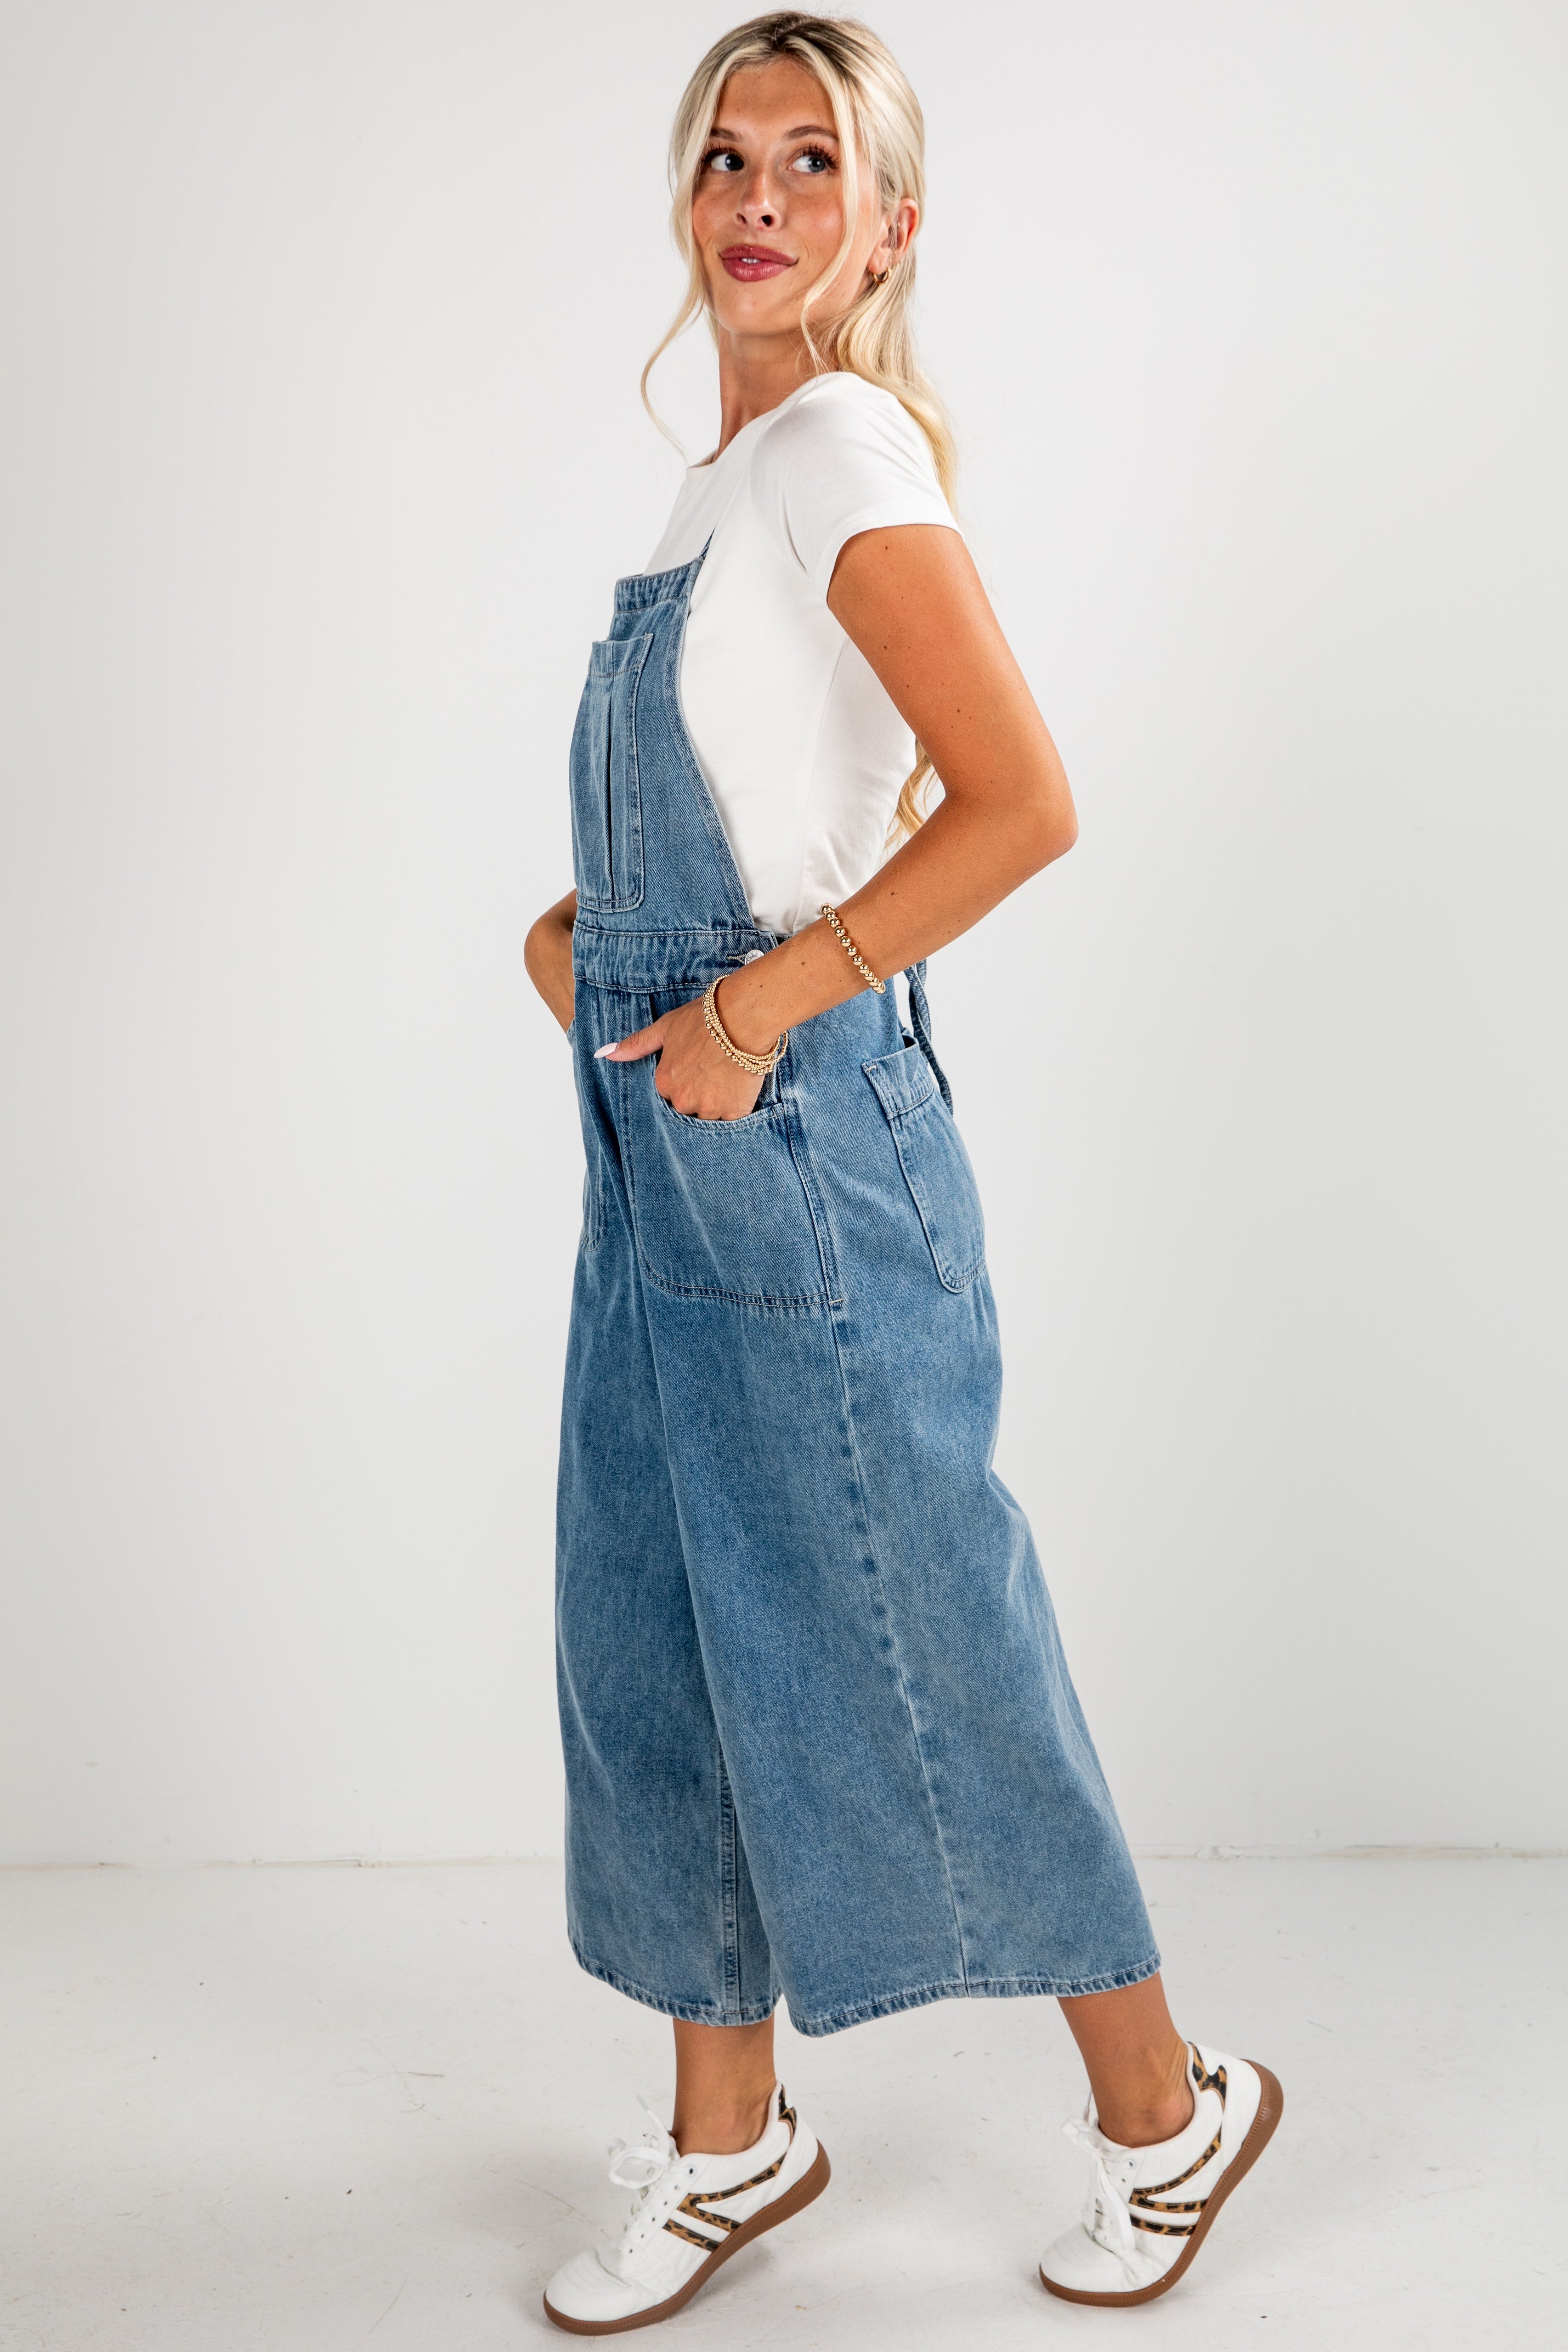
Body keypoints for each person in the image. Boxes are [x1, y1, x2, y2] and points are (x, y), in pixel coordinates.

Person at [524, 12, 1280, 2332]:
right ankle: (730, 2142)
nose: (757, 198)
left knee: (916, 1620)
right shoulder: (710, 486)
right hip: (670, 1153)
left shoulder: (843, 443)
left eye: (811, 163)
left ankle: (1172, 2115)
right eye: (724, 159)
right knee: (651, 1640)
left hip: (810, 1152)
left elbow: (1022, 800)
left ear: (889, 224)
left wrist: (756, 998)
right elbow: (774, 812)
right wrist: (595, 953)